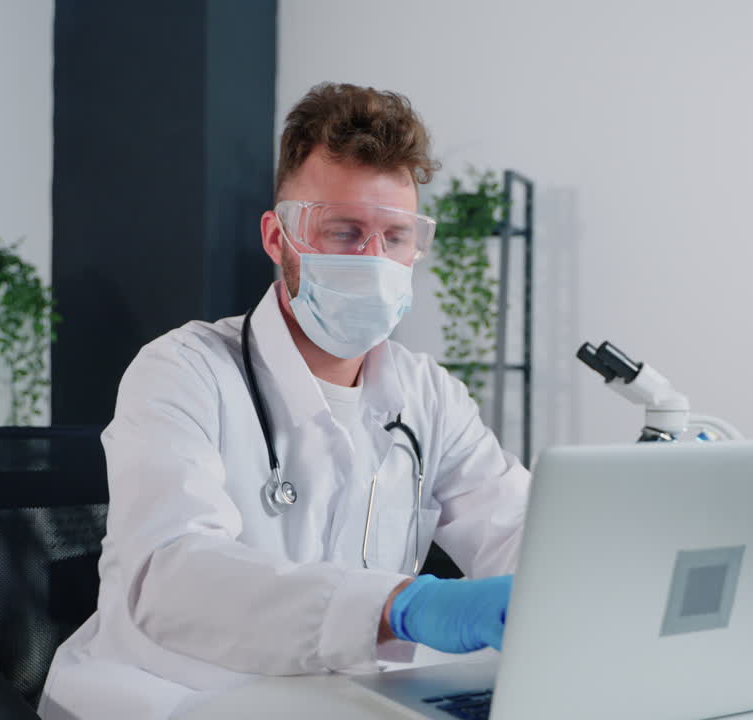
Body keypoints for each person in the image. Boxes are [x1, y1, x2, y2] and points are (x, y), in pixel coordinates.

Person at [38, 83, 530, 719]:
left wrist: (578, 579)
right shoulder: (182, 371)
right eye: (345, 232)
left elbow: (517, 528)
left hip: (336, 698)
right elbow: (171, 578)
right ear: (278, 239)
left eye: (396, 238)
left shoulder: (428, 394)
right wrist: (398, 607)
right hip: (171, 694)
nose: (374, 261)